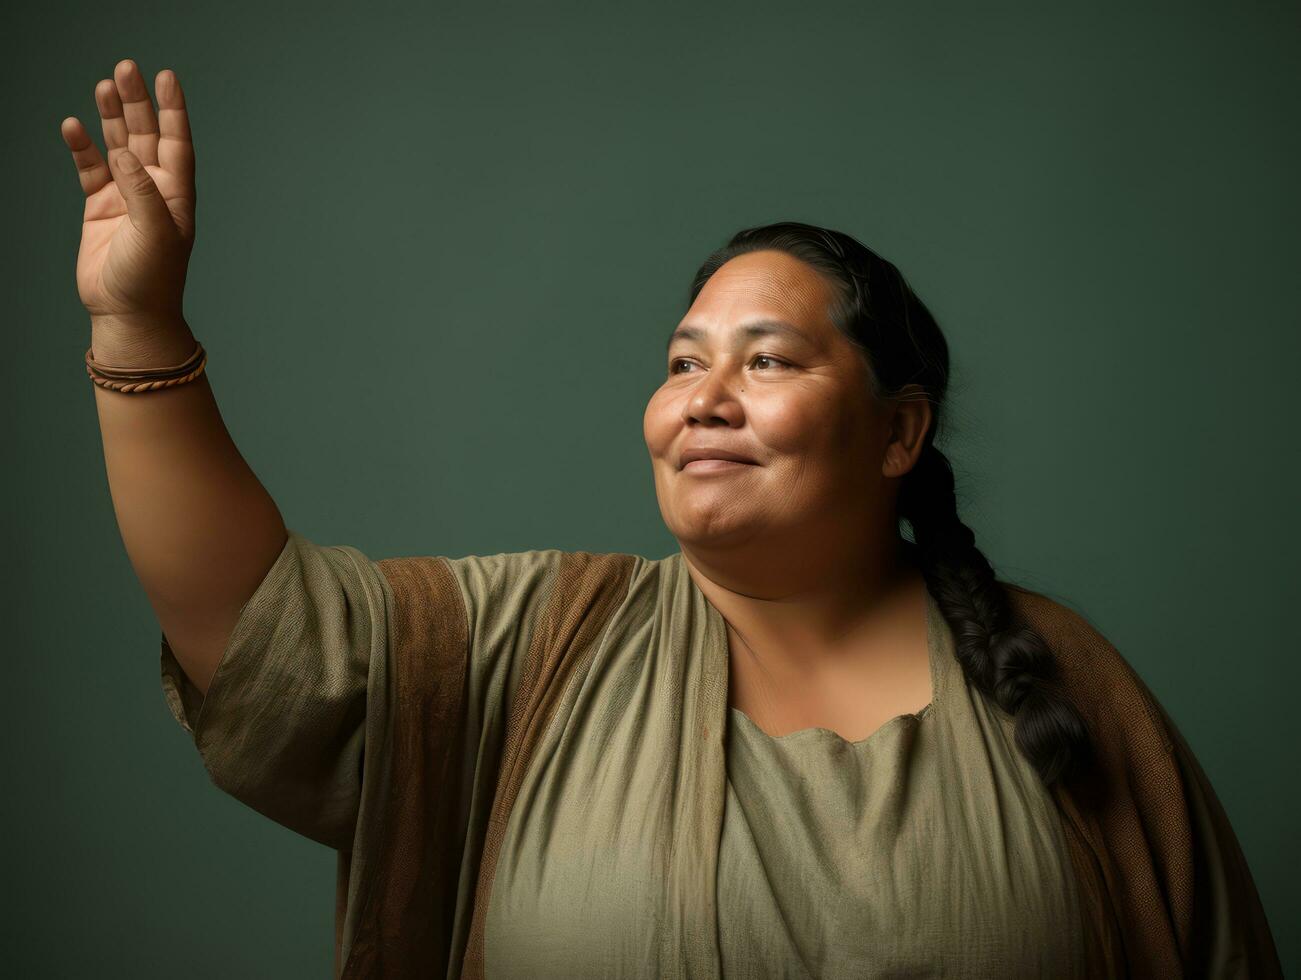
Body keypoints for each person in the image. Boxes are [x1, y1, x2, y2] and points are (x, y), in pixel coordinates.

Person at [67, 59, 1282, 979]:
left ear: (898, 434)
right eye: (680, 360)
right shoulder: (531, 643)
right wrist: (138, 334)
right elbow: (252, 628)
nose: (701, 398)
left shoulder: (1057, 680)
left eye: (765, 362)